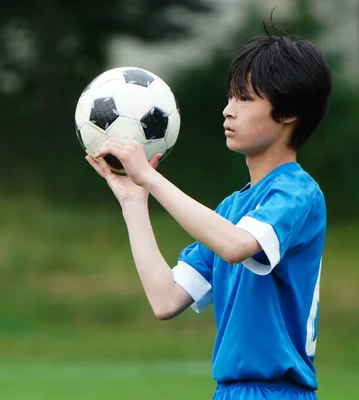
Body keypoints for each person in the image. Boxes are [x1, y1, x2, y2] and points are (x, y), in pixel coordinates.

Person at [86, 31, 332, 400]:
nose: (228, 109)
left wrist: (150, 177)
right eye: (230, 96)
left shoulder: (297, 192)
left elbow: (236, 246)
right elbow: (165, 299)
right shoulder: (230, 211)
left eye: (245, 99)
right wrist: (134, 201)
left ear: (289, 112)